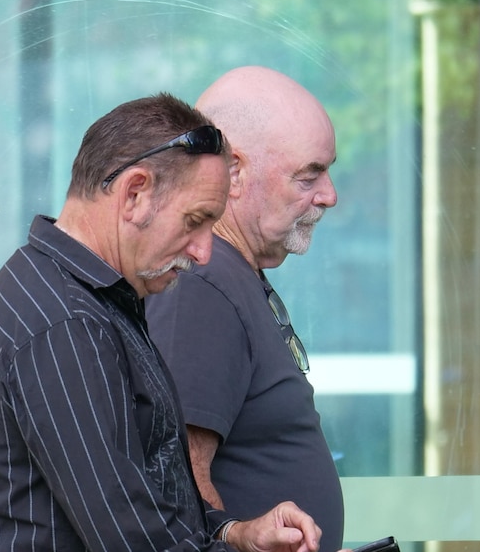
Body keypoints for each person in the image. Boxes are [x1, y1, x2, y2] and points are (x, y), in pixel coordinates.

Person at [0, 92, 325, 552]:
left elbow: (150, 499)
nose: (203, 251)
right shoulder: (63, 321)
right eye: (196, 220)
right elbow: (132, 537)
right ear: (135, 194)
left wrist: (236, 534)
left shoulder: (85, 298)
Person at [146, 67, 345, 552]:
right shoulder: (205, 282)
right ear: (233, 172)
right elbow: (181, 480)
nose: (329, 195)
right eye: (309, 174)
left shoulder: (227, 273)